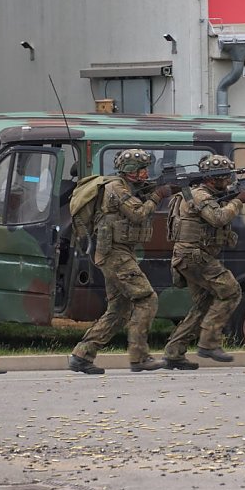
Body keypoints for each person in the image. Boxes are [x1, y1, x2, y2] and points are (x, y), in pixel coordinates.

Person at [69, 149, 173, 374]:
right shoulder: (115, 187)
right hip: (115, 255)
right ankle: (139, 357)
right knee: (146, 298)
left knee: (119, 308)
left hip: (117, 253)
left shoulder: (126, 187)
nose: (146, 173)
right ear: (130, 172)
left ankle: (82, 355)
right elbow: (137, 214)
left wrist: (154, 191)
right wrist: (158, 195)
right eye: (142, 169)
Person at [161, 155, 245, 369]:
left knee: (203, 305)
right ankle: (209, 343)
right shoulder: (200, 195)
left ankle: (174, 353)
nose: (229, 181)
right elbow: (219, 218)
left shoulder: (208, 193)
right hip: (195, 257)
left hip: (192, 257)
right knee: (231, 291)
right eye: (225, 177)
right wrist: (239, 200)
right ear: (213, 179)